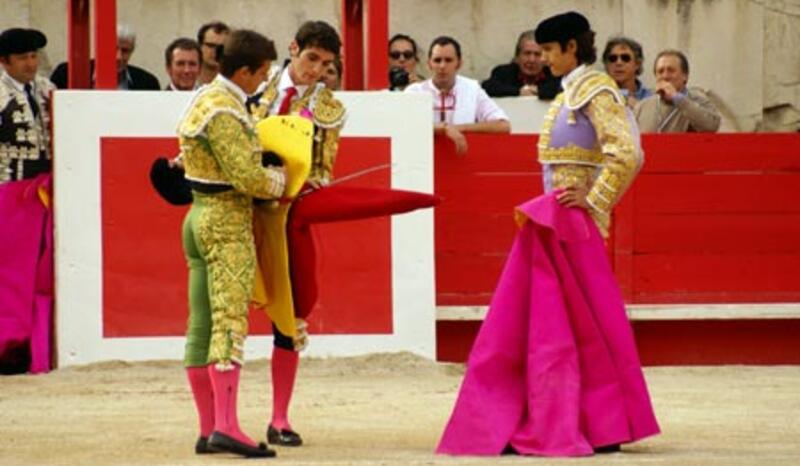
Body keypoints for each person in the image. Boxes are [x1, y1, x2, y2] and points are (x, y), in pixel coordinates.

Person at [437, 11, 660, 457]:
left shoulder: (594, 89)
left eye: (549, 51)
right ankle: (596, 421)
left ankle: (599, 422)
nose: (542, 59)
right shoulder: (571, 92)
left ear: (570, 48)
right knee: (573, 328)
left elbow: (627, 154)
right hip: (556, 223)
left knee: (577, 327)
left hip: (574, 226)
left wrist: (594, 202)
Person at [247, 20, 438, 449]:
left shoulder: (329, 109)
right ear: (292, 48)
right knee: (225, 308)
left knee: (291, 310)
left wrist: (313, 182)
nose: (316, 71)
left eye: (326, 65)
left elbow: (322, 169)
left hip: (289, 210)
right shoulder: (255, 83)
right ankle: (219, 418)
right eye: (311, 59)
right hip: (242, 207)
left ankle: (279, 416)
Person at [178, 29, 286, 458]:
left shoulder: (204, 98)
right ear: (243, 70)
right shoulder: (223, 109)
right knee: (227, 322)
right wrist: (282, 181)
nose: (261, 82)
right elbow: (248, 176)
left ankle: (209, 429)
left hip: (198, 215)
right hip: (225, 220)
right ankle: (225, 426)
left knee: (201, 324)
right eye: (259, 73)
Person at [0, 27, 56, 375]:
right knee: (9, 273)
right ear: (4, 61)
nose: (30, 64)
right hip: (8, 191)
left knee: (40, 274)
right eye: (22, 58)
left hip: (44, 193)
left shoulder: (47, 89)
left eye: (33, 56)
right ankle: (6, 345)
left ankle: (31, 349)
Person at [405, 36, 510, 154]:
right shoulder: (414, 92)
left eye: (448, 60)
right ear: (429, 63)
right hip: (422, 159)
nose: (442, 66)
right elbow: (404, 126)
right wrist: (444, 129)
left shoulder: (472, 89)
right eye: (437, 60)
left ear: (459, 63)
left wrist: (459, 129)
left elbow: (503, 126)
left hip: (461, 160)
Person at [50, 24, 160, 90]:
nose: (118, 57)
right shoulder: (66, 74)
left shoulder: (148, 83)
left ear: (132, 51)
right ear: (100, 47)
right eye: (113, 49)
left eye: (125, 51)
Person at [634, 49, 720, 132]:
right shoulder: (642, 107)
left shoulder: (698, 101)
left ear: (685, 76)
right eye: (660, 71)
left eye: (671, 71)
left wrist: (677, 98)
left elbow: (711, 126)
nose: (665, 76)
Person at [481, 30, 560, 99]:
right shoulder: (503, 72)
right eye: (527, 53)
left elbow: (565, 89)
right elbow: (487, 86)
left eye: (537, 54)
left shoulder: (554, 73)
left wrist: (538, 90)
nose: (532, 60)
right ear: (517, 57)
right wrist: (519, 91)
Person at [602, 36, 652, 108]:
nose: (618, 63)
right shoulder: (598, 96)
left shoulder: (649, 98)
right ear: (606, 65)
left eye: (625, 58)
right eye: (613, 59)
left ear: (637, 64)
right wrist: (624, 97)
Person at [197, 21, 230, 85]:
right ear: (199, 46)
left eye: (221, 47)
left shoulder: (234, 84)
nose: (215, 51)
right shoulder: (188, 81)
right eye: (210, 46)